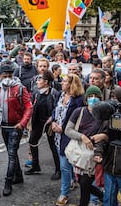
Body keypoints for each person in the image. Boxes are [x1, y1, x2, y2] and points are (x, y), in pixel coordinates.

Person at [64, 85, 107, 206]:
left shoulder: (104, 116)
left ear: (101, 98)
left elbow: (109, 134)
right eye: (90, 96)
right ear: (86, 98)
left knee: (85, 184)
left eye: (96, 97)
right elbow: (68, 130)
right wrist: (82, 137)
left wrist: (103, 136)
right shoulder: (79, 111)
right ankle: (101, 196)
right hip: (78, 152)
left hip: (94, 154)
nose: (93, 99)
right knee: (82, 183)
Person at [0, 62, 32, 196]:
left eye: (7, 75)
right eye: (3, 75)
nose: (5, 77)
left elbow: (29, 107)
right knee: (13, 152)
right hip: (5, 126)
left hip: (16, 126)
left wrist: (22, 123)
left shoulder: (19, 88)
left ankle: (8, 183)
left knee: (11, 154)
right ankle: (18, 176)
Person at [51, 74, 85, 206]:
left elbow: (77, 119)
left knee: (65, 166)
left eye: (64, 81)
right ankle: (71, 182)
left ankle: (64, 193)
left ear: (72, 84)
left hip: (70, 135)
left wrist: (63, 127)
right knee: (65, 164)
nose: (61, 83)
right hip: (58, 134)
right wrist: (53, 121)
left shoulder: (78, 100)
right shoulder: (60, 95)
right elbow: (55, 110)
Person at [94, 87, 121, 206]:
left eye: (116, 98)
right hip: (109, 167)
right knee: (108, 200)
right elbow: (103, 137)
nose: (114, 101)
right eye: (112, 97)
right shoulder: (111, 117)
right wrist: (98, 153)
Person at [25, 70, 61, 180]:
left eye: (39, 80)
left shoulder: (54, 93)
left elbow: (57, 108)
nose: (37, 81)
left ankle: (58, 170)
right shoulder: (36, 92)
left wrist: (52, 118)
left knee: (53, 146)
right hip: (38, 122)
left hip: (50, 124)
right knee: (32, 142)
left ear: (46, 82)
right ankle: (35, 165)